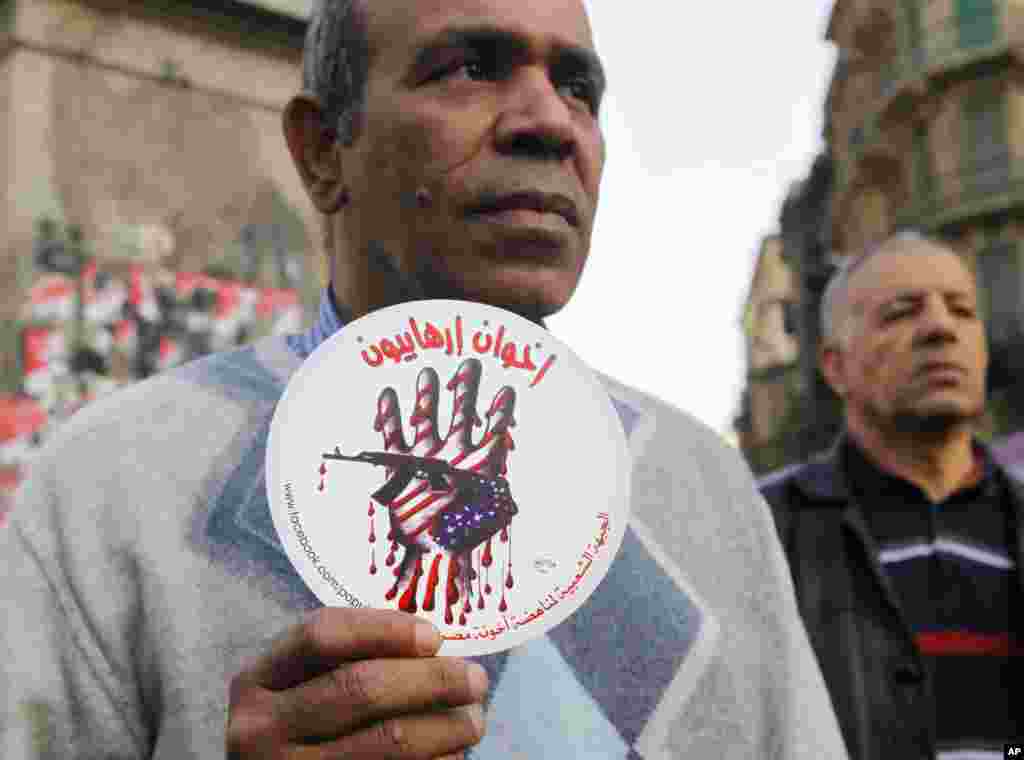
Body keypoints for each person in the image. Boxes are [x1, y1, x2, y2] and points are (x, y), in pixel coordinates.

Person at [0, 0, 849, 757]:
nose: (550, 122)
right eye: (470, 67)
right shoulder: (114, 482)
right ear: (323, 148)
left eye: (579, 86)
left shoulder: (702, 491)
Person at [759, 232, 1024, 760]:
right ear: (835, 367)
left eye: (962, 310)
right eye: (902, 312)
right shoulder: (761, 530)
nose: (940, 329)